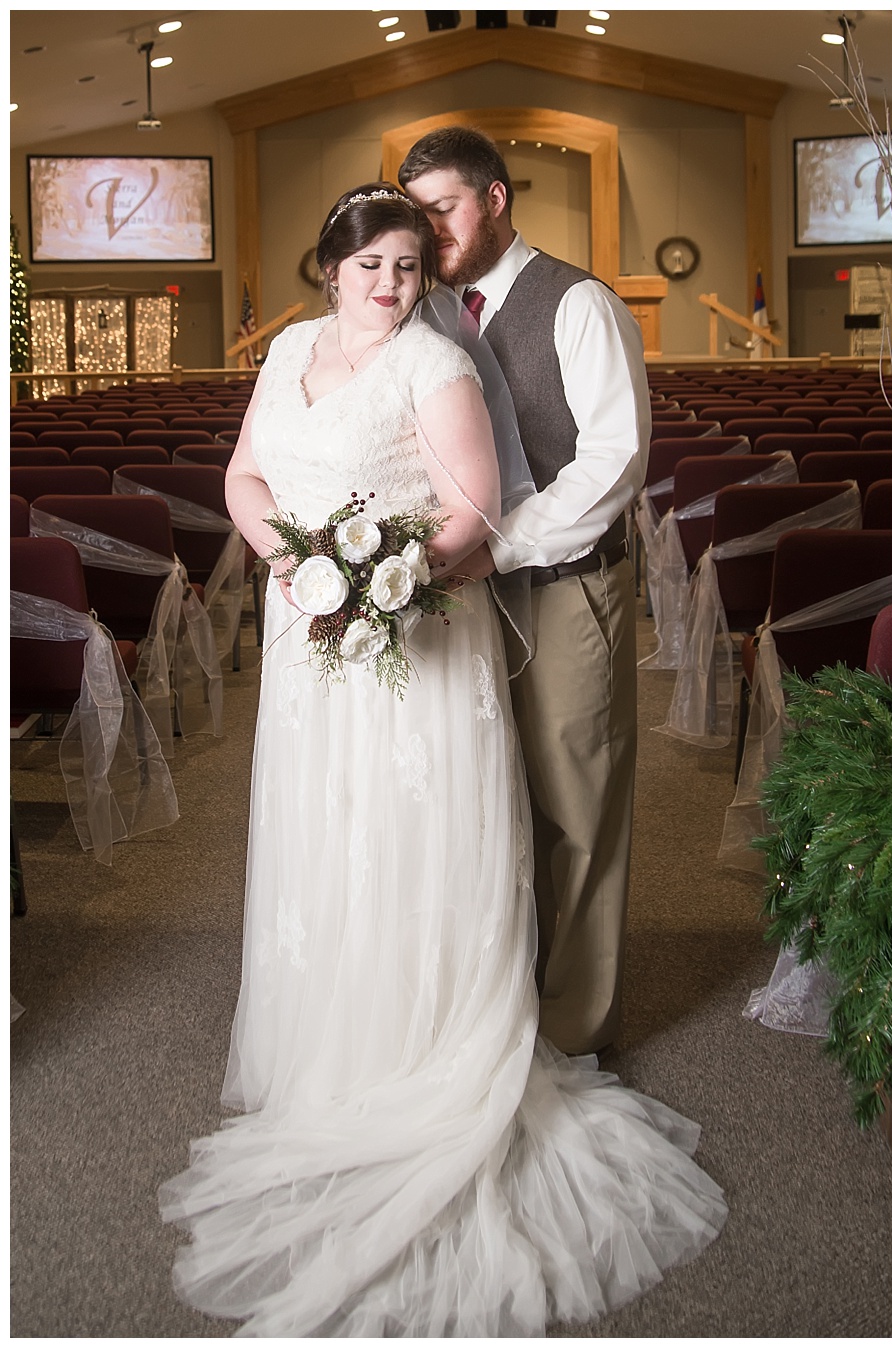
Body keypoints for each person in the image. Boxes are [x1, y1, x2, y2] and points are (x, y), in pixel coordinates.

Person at [159, 184, 725, 1335]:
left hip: (414, 624)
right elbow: (244, 478)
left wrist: (380, 579)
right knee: (327, 832)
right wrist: (301, 565)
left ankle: (435, 1046)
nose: (390, 284)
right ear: (331, 264)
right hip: (310, 625)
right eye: (372, 262)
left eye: (410, 266)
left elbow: (473, 508)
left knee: (415, 832)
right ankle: (333, 1046)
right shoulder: (289, 356)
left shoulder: (435, 361)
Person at [399, 127, 644, 1058]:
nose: (429, 233)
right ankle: (497, 1004)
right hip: (453, 600)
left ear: (496, 199)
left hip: (563, 586)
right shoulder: (420, 310)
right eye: (415, 214)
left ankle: (575, 1028)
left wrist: (501, 549)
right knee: (479, 798)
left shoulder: (577, 303)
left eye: (443, 211)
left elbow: (613, 463)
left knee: (576, 805)